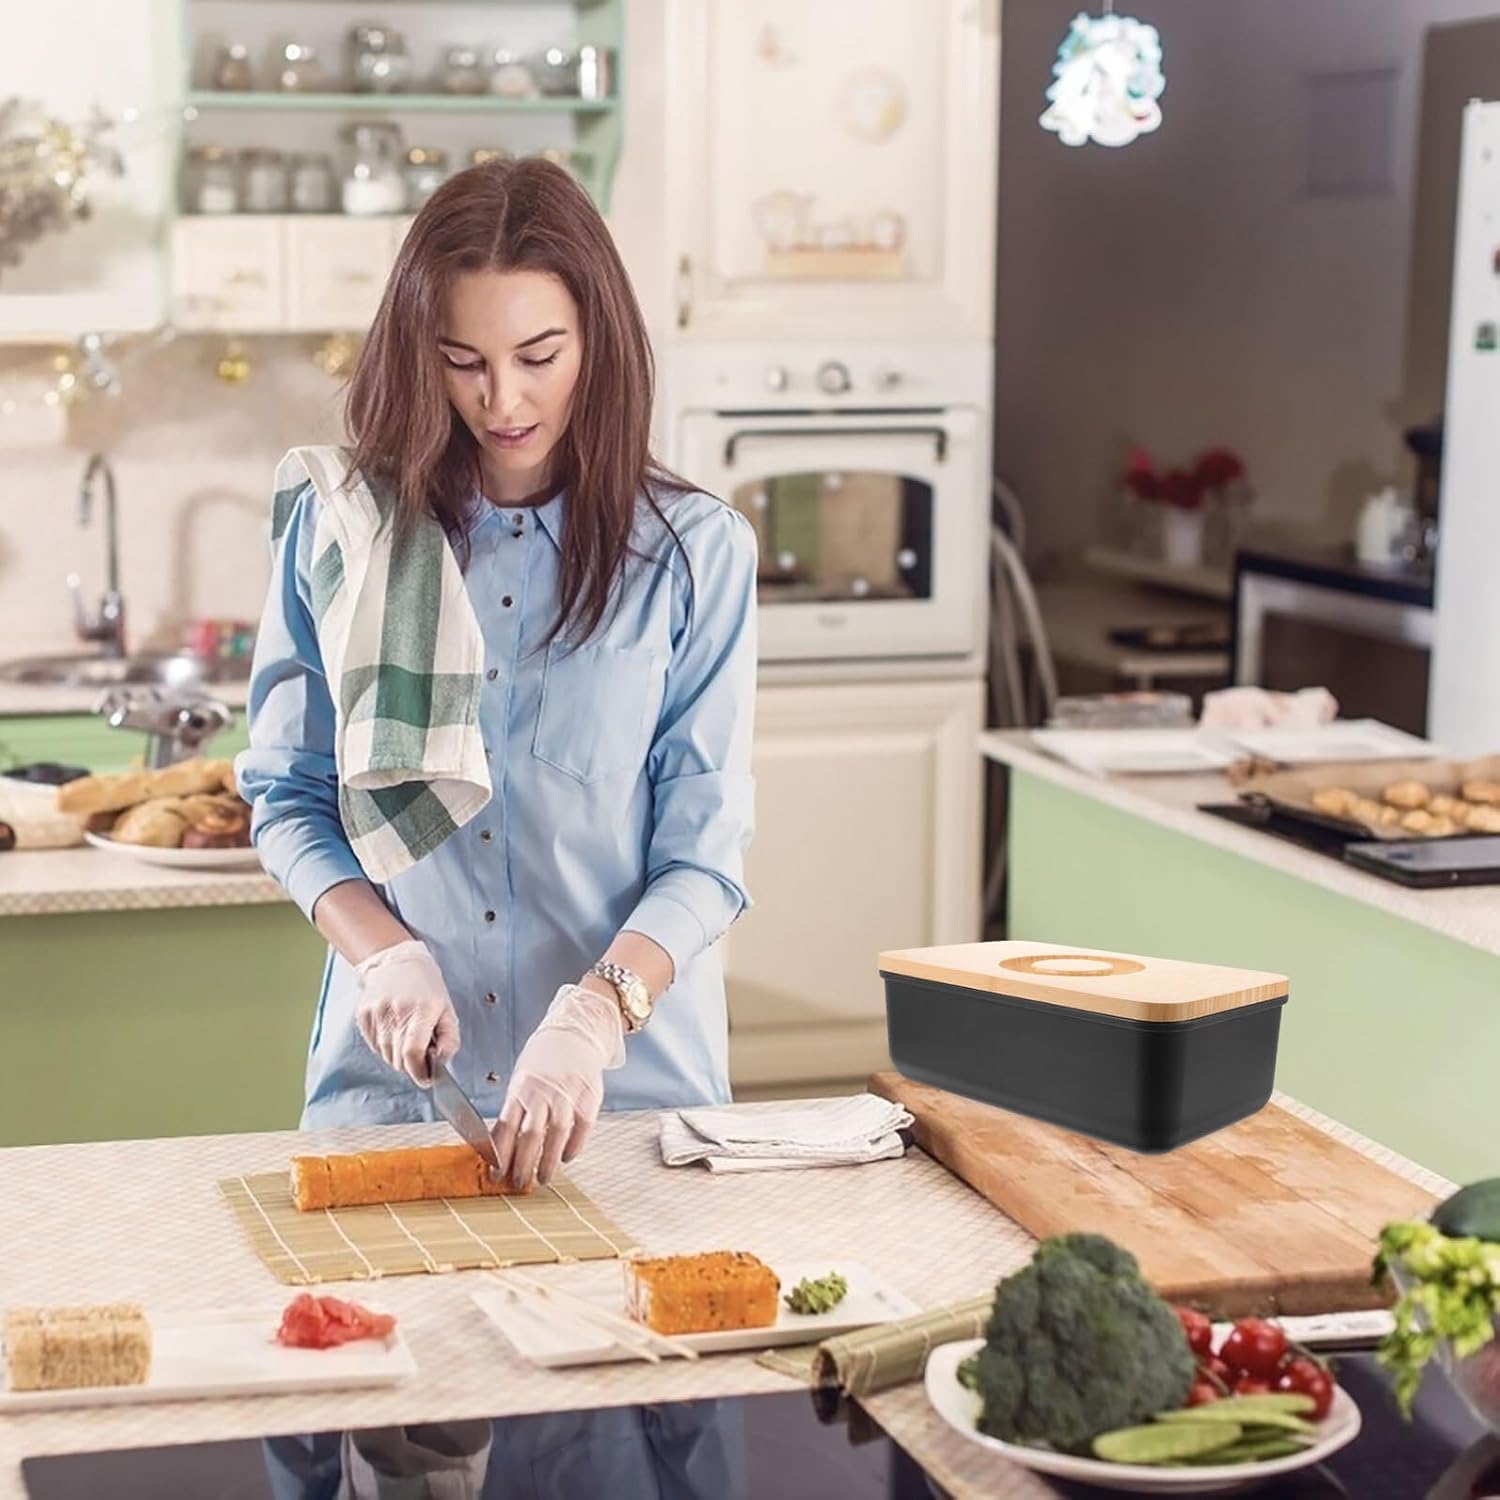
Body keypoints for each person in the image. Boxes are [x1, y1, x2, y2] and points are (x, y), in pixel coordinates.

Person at [241, 156, 756, 1500]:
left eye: (539, 354)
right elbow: (290, 799)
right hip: (391, 1109)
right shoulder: (341, 529)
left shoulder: (694, 555)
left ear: (601, 339)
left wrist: (601, 1012)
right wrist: (379, 952)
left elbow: (706, 857)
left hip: (628, 1118)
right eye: (463, 362)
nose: (504, 400)